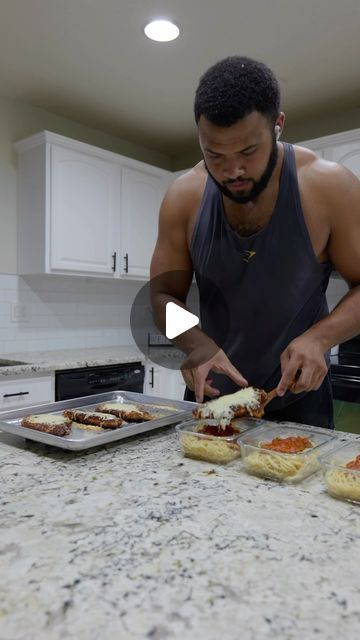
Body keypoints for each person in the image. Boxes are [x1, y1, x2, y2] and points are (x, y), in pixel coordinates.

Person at [150, 56, 360, 428]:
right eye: (214, 154)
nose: (232, 171)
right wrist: (194, 342)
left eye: (248, 151)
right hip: (211, 396)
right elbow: (162, 297)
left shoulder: (329, 187)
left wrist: (320, 338)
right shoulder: (183, 197)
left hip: (299, 398)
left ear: (277, 126)